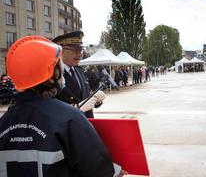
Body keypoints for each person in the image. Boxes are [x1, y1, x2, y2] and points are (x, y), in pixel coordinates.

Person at [0, 36, 127, 177]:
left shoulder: (4, 120)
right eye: (57, 64)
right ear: (51, 74)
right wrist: (115, 171)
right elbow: (99, 170)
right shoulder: (70, 118)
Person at [52, 31, 105, 118]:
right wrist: (78, 108)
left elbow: (85, 96)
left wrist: (95, 99)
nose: (80, 54)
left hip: (86, 124)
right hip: (67, 127)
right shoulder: (53, 75)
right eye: (75, 50)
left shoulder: (79, 71)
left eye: (80, 49)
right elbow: (52, 110)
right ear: (61, 51)